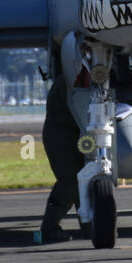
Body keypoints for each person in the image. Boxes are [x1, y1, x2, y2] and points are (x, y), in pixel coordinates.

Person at [37, 71, 82, 244]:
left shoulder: (71, 78)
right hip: (61, 137)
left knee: (83, 181)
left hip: (71, 134)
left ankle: (90, 226)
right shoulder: (70, 81)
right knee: (69, 182)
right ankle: (49, 228)